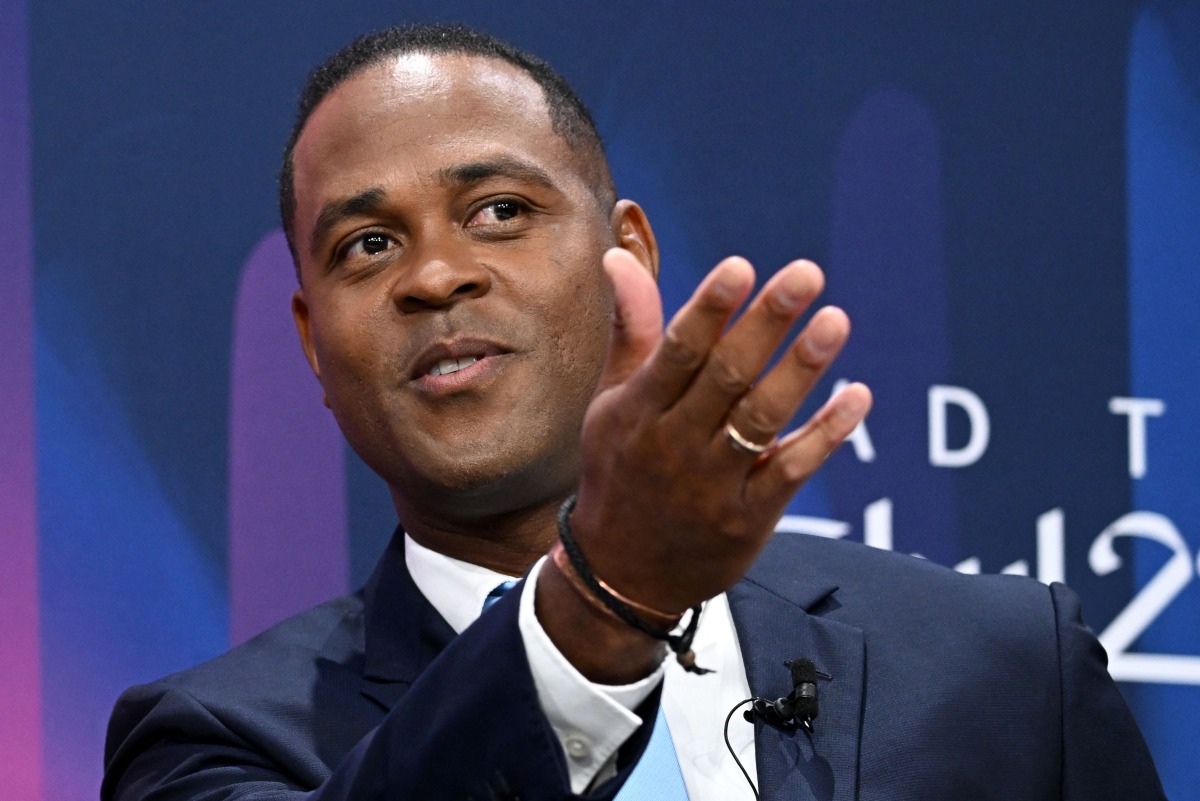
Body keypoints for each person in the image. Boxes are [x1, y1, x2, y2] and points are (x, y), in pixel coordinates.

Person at [102, 23, 1165, 801]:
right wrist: (605, 597)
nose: (433, 276)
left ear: (629, 258)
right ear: (309, 342)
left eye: (500, 212)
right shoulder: (209, 743)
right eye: (366, 245)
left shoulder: (1007, 671)